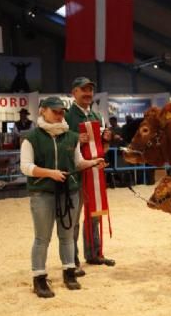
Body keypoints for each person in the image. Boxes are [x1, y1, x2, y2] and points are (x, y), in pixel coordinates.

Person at [20, 96, 106, 298]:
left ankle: (69, 273)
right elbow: (25, 167)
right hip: (42, 192)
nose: (59, 115)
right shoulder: (31, 137)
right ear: (43, 110)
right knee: (42, 237)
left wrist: (93, 162)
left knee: (67, 235)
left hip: (70, 191)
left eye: (61, 112)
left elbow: (78, 162)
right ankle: (39, 278)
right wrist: (50, 173)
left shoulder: (71, 136)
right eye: (55, 111)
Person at [65, 76, 114, 276]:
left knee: (94, 215)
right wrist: (76, 138)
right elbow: (61, 144)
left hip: (94, 171)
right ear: (74, 93)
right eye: (83, 89)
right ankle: (72, 259)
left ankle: (94, 253)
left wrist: (106, 140)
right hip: (76, 173)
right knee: (74, 218)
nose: (88, 93)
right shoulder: (67, 117)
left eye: (90, 90)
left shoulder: (96, 115)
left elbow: (103, 148)